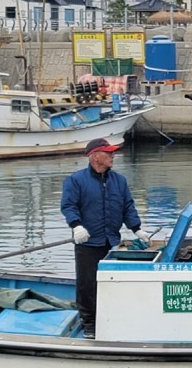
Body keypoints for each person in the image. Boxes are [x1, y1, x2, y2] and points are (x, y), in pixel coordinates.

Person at [61, 138, 149, 337]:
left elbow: (127, 206)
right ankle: (89, 323)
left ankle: (111, 317)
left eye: (113, 152)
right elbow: (68, 206)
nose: (113, 155)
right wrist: (76, 226)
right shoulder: (76, 180)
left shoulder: (119, 181)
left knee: (111, 281)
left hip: (111, 242)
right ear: (95, 156)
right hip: (88, 243)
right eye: (108, 153)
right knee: (88, 284)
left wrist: (137, 229)